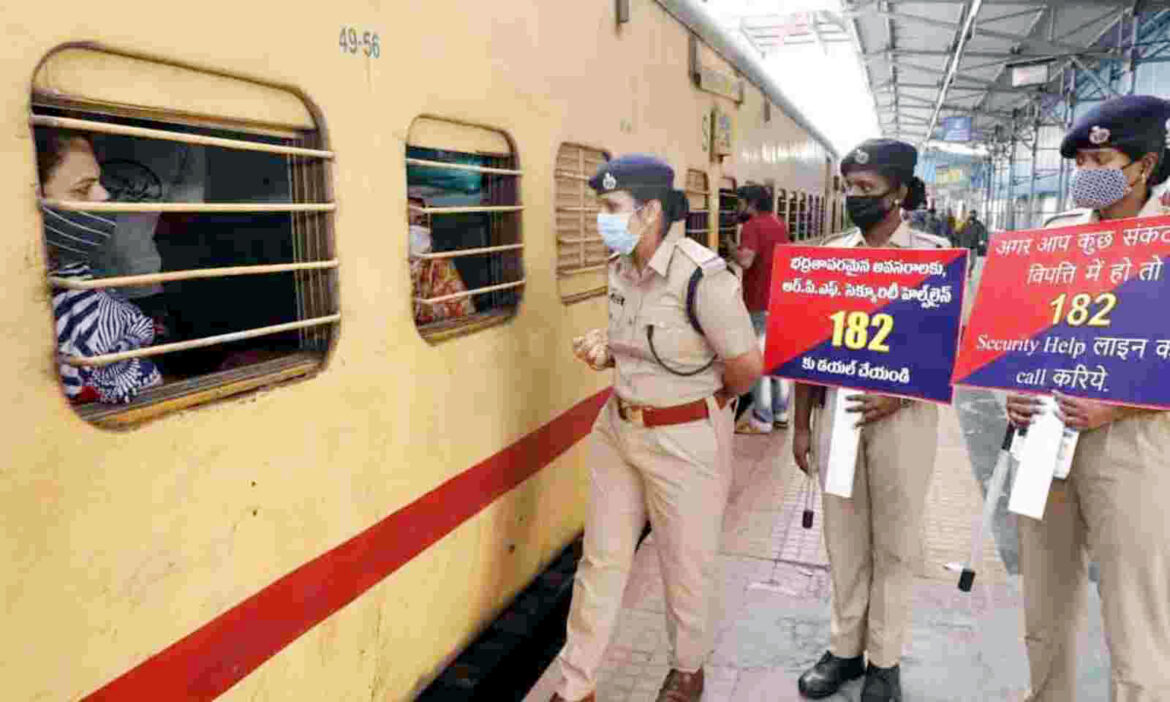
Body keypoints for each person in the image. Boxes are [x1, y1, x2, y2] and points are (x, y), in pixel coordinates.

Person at [552, 154, 762, 702]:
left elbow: (745, 368)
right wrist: (609, 352)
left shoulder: (704, 278)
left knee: (685, 564)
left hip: (685, 438)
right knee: (600, 560)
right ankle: (575, 686)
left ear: (648, 212)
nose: (602, 218)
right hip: (617, 430)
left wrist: (701, 409)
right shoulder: (617, 268)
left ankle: (686, 672)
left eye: (610, 208)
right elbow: (640, 345)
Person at [1004, 94, 1170, 702]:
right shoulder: (1055, 237)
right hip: (1046, 435)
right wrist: (1013, 388)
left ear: (1145, 166)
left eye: (1100, 158)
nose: (1085, 174)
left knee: (1138, 613)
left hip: (1135, 444)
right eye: (1079, 162)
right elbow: (1019, 331)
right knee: (1044, 603)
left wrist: (1120, 404)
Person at [791, 139, 947, 702]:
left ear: (899, 193)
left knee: (897, 542)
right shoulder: (829, 255)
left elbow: (947, 353)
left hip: (903, 420)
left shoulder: (934, 256)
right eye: (849, 187)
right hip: (839, 413)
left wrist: (899, 397)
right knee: (844, 537)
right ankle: (843, 650)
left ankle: (886, 660)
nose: (855, 198)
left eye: (867, 189)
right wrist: (802, 424)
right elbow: (805, 346)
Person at [35, 128, 162, 404]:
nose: (104, 195)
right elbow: (143, 395)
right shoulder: (78, 319)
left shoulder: (75, 279)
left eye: (99, 182)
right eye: (83, 188)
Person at [730, 183, 791, 434]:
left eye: (740, 201)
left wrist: (730, 246)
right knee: (778, 362)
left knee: (761, 364)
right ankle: (781, 415)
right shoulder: (779, 224)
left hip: (759, 304)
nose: (738, 207)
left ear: (751, 203)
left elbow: (746, 260)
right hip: (779, 302)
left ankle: (761, 420)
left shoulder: (752, 226)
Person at [407, 196, 476, 325]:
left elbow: (464, 316)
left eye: (420, 222)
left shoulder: (439, 266)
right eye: (407, 222)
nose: (414, 230)